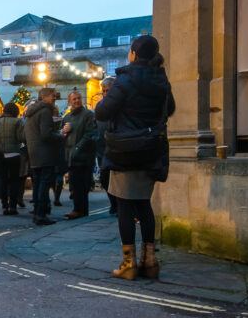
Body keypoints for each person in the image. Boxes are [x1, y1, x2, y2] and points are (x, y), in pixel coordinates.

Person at [95, 34, 175, 281]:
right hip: (151, 147)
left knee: (126, 206)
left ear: (133, 53)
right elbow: (170, 109)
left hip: (125, 149)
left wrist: (109, 101)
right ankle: (149, 262)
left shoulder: (125, 79)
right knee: (144, 204)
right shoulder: (161, 79)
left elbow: (101, 112)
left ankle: (128, 264)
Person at [24, 86, 63, 226]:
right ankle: (41, 215)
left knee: (38, 184)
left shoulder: (31, 112)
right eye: (52, 95)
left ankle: (37, 213)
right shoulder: (45, 110)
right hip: (44, 154)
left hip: (34, 153)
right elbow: (46, 134)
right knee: (43, 186)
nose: (54, 97)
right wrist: (60, 135)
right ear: (44, 97)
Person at [61, 90, 97, 219]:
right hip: (71, 157)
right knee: (75, 185)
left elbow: (90, 134)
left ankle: (82, 210)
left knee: (84, 185)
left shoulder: (88, 115)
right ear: (69, 102)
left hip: (84, 156)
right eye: (74, 99)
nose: (77, 101)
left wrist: (77, 148)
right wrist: (63, 131)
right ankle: (78, 210)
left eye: (78, 98)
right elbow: (62, 134)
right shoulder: (67, 117)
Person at [94, 75, 118, 215]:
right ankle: (113, 203)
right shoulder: (99, 106)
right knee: (105, 178)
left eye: (108, 91)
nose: (105, 94)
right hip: (102, 148)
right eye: (103, 91)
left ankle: (119, 205)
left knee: (118, 180)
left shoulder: (119, 105)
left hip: (116, 147)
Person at [0, 102, 24, 215]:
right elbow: (20, 137)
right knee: (14, 182)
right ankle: (12, 206)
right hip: (14, 155)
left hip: (0, 155)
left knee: (3, 181)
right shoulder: (17, 122)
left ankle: (4, 206)